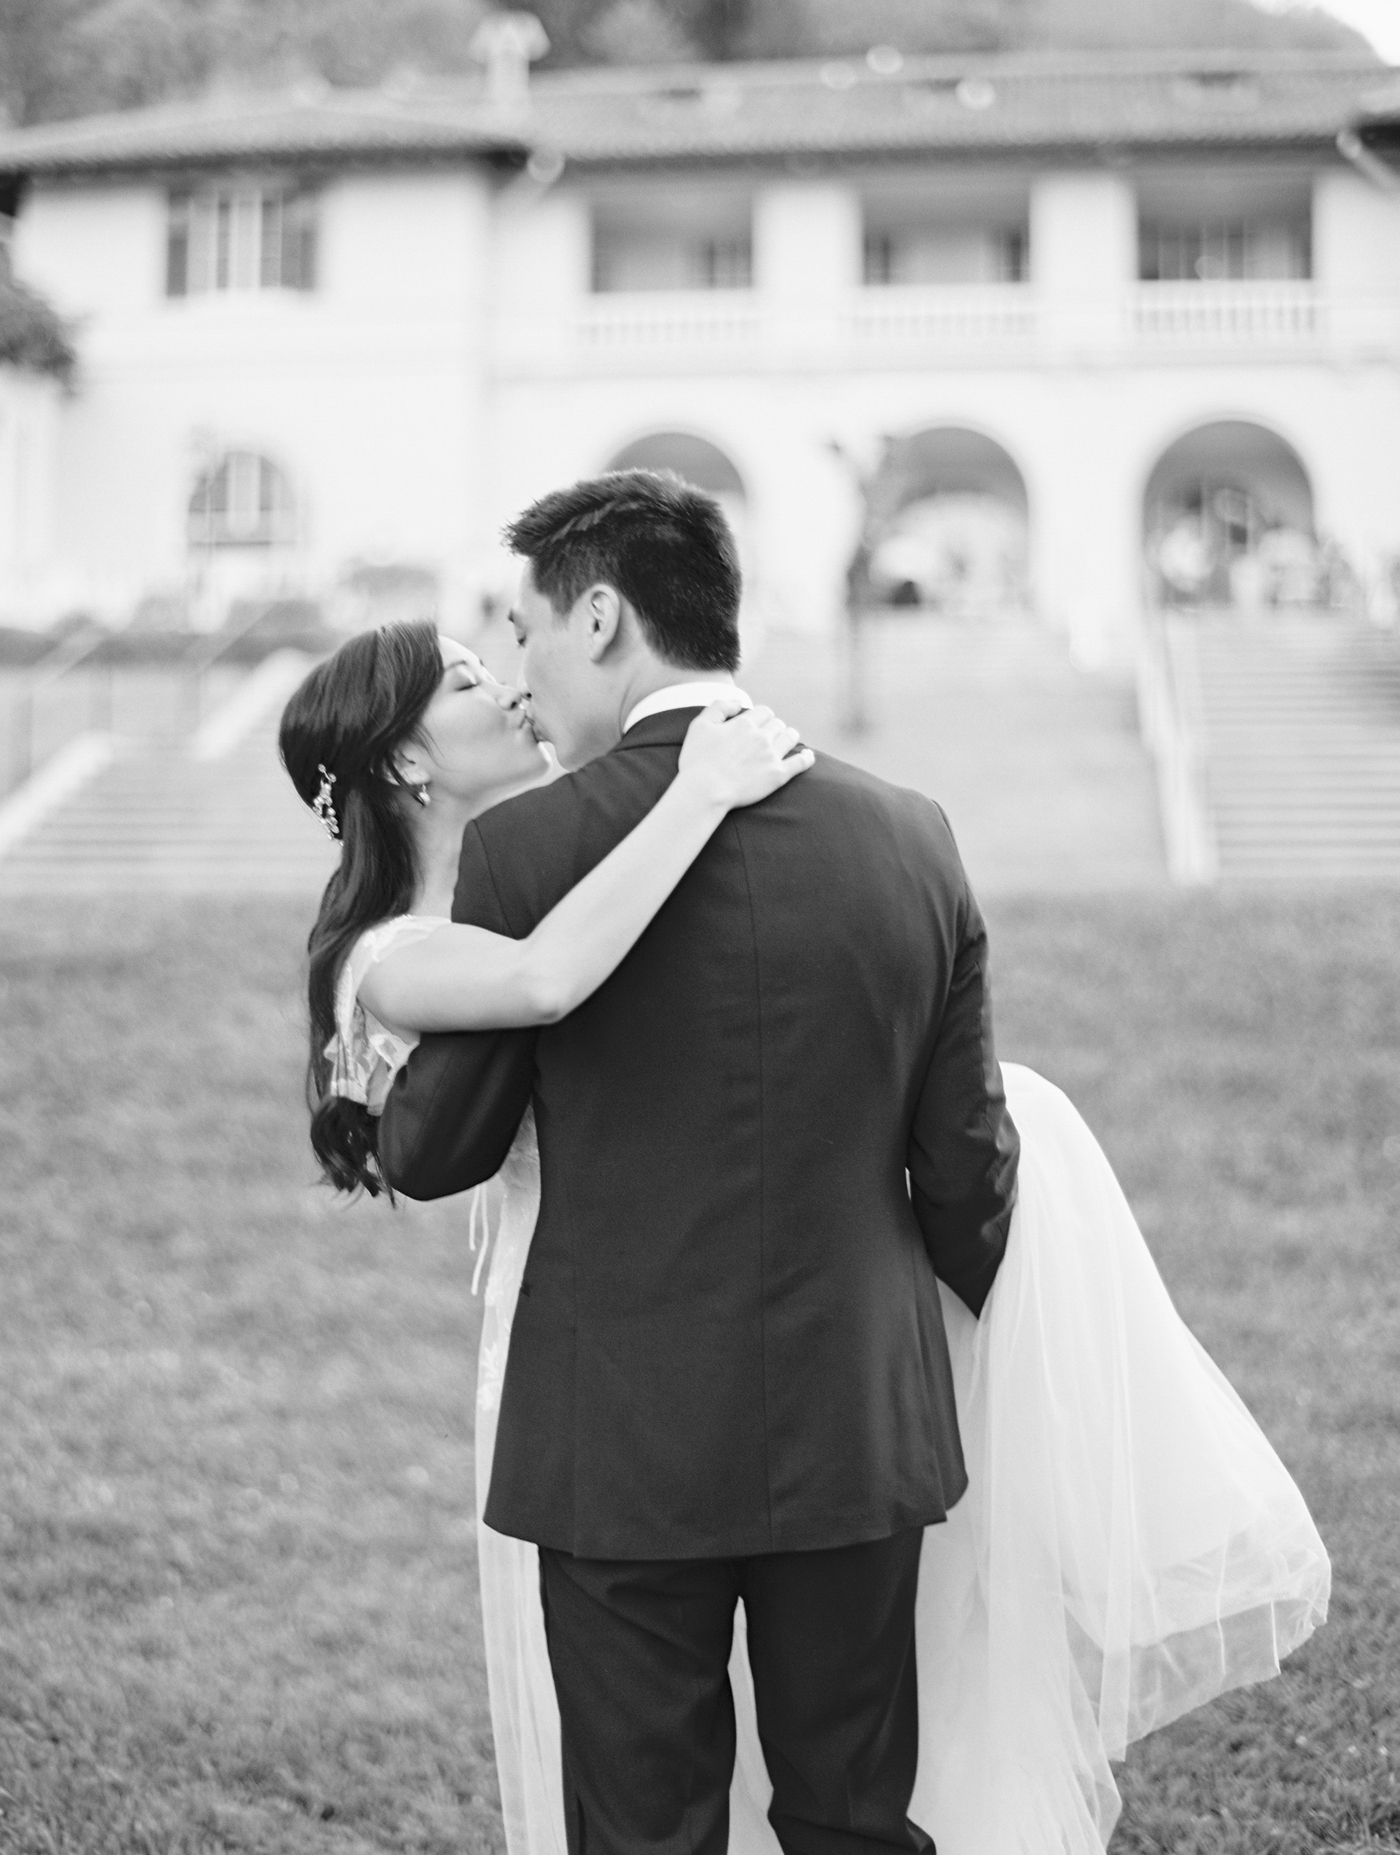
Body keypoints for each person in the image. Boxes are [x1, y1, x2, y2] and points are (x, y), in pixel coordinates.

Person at [285, 472, 1331, 1855]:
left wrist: (376, 1061)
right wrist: (976, 1331)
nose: (522, 672)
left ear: (600, 619)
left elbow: (450, 1145)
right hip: (856, 1416)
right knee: (852, 1812)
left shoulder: (532, 847)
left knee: (644, 1826)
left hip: (620, 1440)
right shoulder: (910, 835)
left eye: (527, 631)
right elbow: (965, 1164)